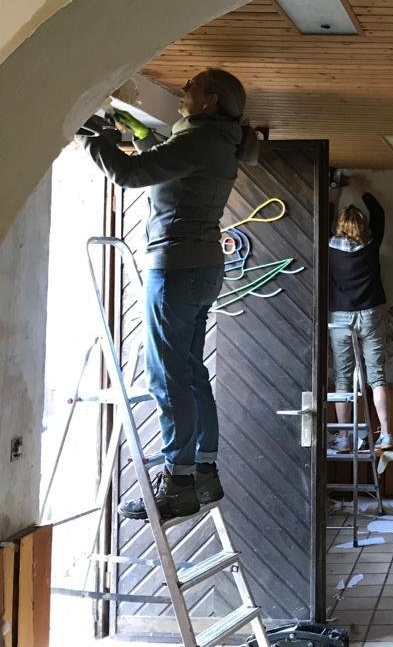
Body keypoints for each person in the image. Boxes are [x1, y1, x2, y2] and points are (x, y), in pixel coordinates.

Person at [75, 68, 258, 520]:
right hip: (201, 266)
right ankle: (204, 473)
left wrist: (91, 137)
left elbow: (130, 175)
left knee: (166, 376)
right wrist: (142, 139)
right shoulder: (218, 140)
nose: (183, 88)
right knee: (191, 371)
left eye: (193, 85)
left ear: (210, 100)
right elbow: (171, 172)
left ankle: (177, 483)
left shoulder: (199, 139)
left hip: (176, 267)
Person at [327, 176, 392, 450]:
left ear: (339, 226)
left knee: (343, 378)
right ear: (363, 226)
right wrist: (360, 187)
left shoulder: (329, 248)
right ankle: (386, 434)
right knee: (376, 376)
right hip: (370, 314)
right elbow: (379, 213)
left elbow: (324, 216)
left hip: (340, 318)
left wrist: (335, 191)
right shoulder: (371, 246)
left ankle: (344, 437)